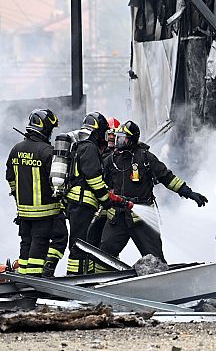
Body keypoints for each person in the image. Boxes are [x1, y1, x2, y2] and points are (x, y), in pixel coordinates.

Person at [97, 120, 208, 270]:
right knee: (104, 254)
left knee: (156, 259)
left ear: (132, 140)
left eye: (123, 138)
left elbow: (167, 178)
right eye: (118, 137)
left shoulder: (146, 158)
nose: (119, 142)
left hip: (142, 219)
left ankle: (161, 286)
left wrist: (189, 193)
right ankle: (101, 285)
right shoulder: (111, 160)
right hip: (117, 217)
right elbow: (100, 184)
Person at [4, 109, 67, 277]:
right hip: (45, 211)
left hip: (23, 210)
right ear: (45, 128)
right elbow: (55, 181)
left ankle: (23, 278)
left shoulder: (15, 149)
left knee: (26, 244)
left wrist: (18, 195)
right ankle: (34, 282)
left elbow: (10, 178)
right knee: (39, 245)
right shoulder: (47, 151)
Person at [64, 112, 118, 275]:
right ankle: (75, 279)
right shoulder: (89, 148)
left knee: (84, 244)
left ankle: (84, 278)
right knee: (79, 244)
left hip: (79, 203)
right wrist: (106, 199)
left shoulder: (83, 146)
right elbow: (93, 178)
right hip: (82, 203)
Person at [87, 116, 121, 247]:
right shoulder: (97, 152)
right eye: (109, 133)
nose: (112, 137)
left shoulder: (122, 155)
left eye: (114, 134)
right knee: (95, 240)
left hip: (114, 204)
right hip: (99, 204)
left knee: (110, 243)